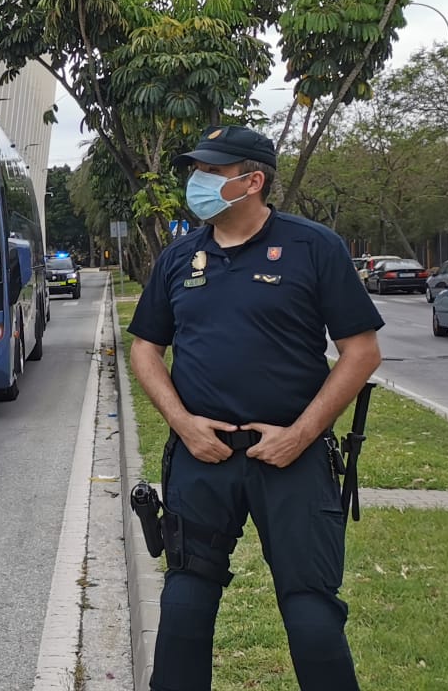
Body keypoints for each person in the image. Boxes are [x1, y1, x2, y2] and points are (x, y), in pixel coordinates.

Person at [128, 125, 382, 691]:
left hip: (293, 460)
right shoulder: (179, 258)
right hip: (203, 457)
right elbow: (145, 347)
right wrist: (183, 424)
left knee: (311, 613)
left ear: (252, 181)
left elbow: (361, 352)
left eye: (212, 173)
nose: (197, 182)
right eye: (197, 171)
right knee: (185, 608)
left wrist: (301, 434)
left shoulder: (314, 247)